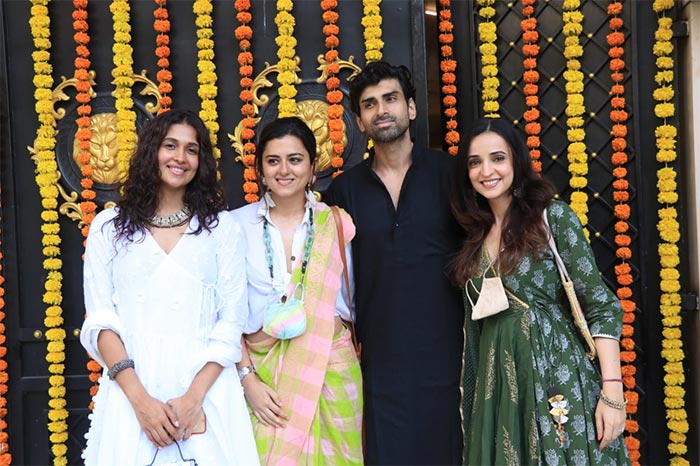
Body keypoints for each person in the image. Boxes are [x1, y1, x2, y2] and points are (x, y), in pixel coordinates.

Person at [80, 109, 259, 465]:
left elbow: (231, 320)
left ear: (202, 161)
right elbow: (101, 321)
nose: (180, 158)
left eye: (191, 150)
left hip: (207, 390)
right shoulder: (108, 228)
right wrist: (141, 403)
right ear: (151, 152)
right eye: (170, 146)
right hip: (131, 391)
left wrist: (194, 398)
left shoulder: (220, 229)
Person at [451, 117, 630, 465]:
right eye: (475, 162)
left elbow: (602, 307)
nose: (486, 170)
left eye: (497, 158)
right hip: (498, 392)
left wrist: (612, 392)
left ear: (517, 162)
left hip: (555, 381)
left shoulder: (553, 219)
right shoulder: (474, 238)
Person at [325, 61, 464, 465]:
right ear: (359, 120)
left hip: (449, 350)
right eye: (370, 104)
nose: (381, 110)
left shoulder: (451, 174)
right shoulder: (343, 191)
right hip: (379, 360)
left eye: (391, 99)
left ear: (412, 108)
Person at [231, 117, 363, 465]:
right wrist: (248, 382)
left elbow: (352, 306)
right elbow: (224, 316)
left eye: (295, 159)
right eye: (273, 161)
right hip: (263, 378)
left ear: (311, 168)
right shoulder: (234, 227)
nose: (284, 170)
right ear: (260, 170)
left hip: (331, 368)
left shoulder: (334, 223)